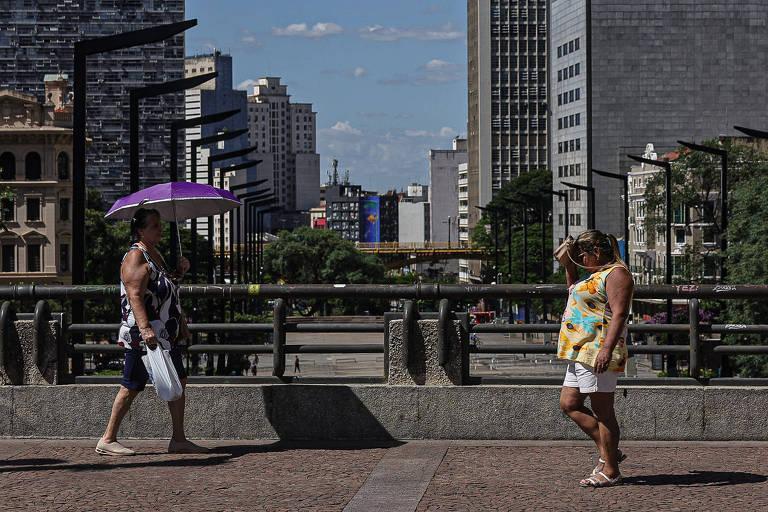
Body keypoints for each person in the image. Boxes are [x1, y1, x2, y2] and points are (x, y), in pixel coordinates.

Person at [96, 208, 208, 456]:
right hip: (145, 335)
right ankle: (108, 438)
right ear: (140, 230)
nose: (160, 229)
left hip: (163, 334)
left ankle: (179, 438)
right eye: (154, 225)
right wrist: (145, 329)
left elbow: (160, 288)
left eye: (160, 225)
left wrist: (179, 271)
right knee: (132, 385)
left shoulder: (153, 254)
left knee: (179, 380)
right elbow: (135, 294)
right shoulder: (136, 256)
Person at [555, 229, 633, 488]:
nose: (580, 260)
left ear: (597, 252)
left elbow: (620, 314)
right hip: (579, 350)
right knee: (569, 404)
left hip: (597, 350)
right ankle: (608, 451)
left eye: (582, 256)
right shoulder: (595, 276)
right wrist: (568, 265)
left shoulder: (617, 274)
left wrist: (606, 349)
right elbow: (574, 292)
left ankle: (611, 470)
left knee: (603, 412)